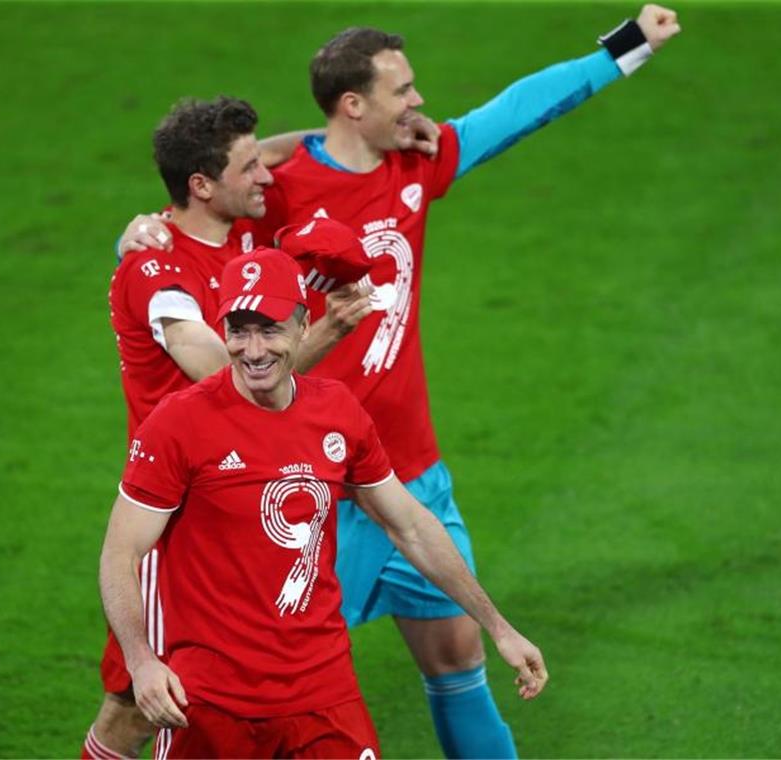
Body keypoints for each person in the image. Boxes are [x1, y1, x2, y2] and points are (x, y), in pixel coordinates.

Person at [118, 7, 681, 756]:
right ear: (353, 105)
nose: (420, 104)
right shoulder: (274, 193)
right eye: (402, 92)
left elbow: (515, 110)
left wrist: (627, 45)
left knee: (459, 660)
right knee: (235, 687)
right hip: (309, 489)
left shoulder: (420, 162)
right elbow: (205, 210)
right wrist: (146, 227)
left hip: (411, 476)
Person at [99, 247, 548, 759]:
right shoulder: (179, 423)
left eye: (269, 329)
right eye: (238, 330)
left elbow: (410, 526)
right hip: (213, 703)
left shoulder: (336, 411)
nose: (252, 349)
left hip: (323, 696)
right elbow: (120, 553)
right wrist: (140, 661)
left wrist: (498, 627)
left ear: (303, 323)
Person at [87, 95, 376, 760]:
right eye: (248, 168)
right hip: (179, 512)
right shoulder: (158, 271)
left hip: (241, 487)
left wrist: (370, 132)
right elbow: (224, 374)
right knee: (145, 704)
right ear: (201, 186)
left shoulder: (240, 234)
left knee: (147, 706)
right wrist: (329, 327)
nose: (267, 177)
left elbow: (293, 149)